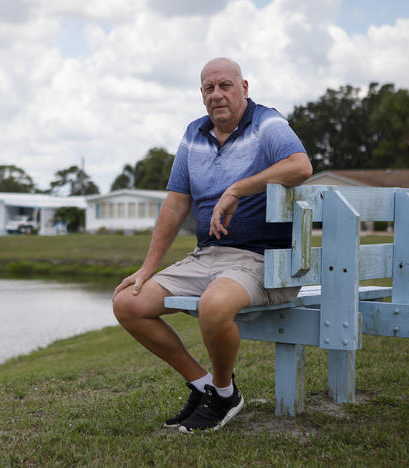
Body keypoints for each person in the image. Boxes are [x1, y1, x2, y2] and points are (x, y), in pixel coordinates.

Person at [112, 57, 313, 433]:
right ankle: (206, 386)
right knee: (128, 302)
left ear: (245, 88)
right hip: (208, 256)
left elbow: (300, 166)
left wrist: (238, 187)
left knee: (214, 305)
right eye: (209, 88)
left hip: (264, 260)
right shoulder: (194, 133)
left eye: (225, 85)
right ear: (202, 94)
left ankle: (223, 393)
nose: (217, 94)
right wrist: (147, 267)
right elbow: (175, 204)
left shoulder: (267, 123)